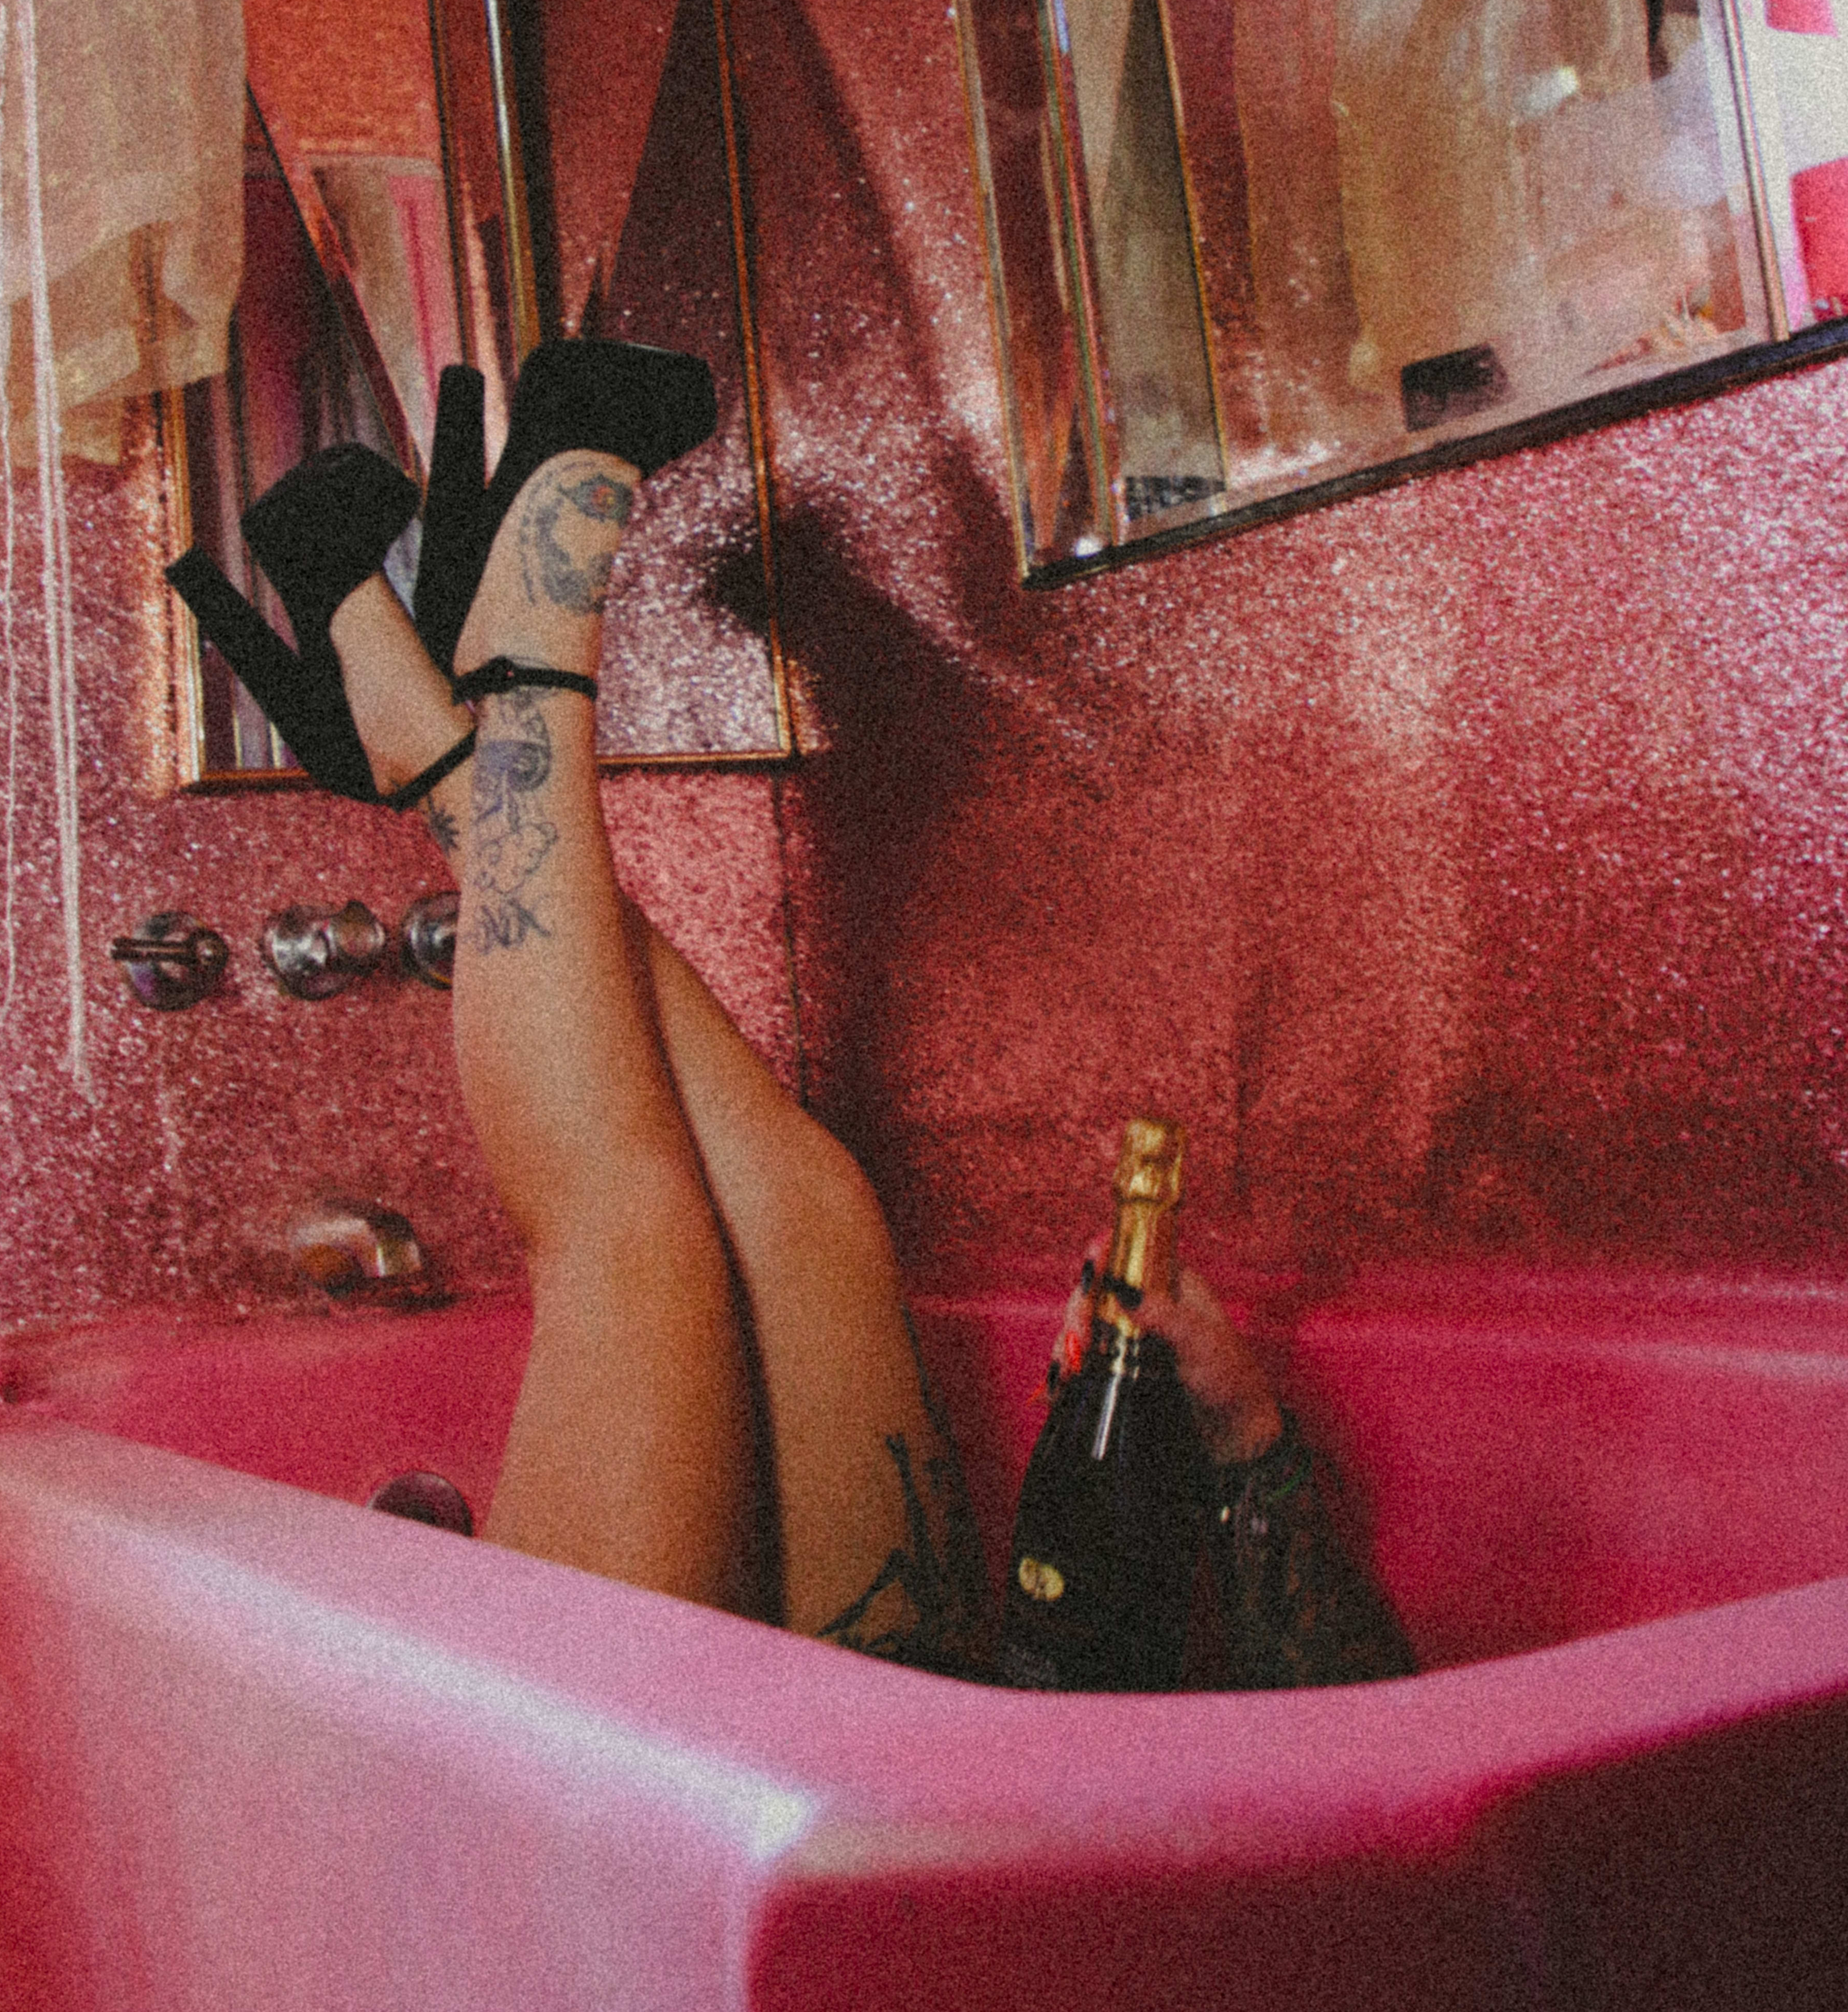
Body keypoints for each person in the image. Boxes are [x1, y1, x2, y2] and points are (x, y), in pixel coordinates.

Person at [170, 337, 1406, 1689]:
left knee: (636, 1246)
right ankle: (461, 768)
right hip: (987, 1767)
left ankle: (504, 717)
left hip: (746, 1868)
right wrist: (1242, 1435)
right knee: (818, 1215)